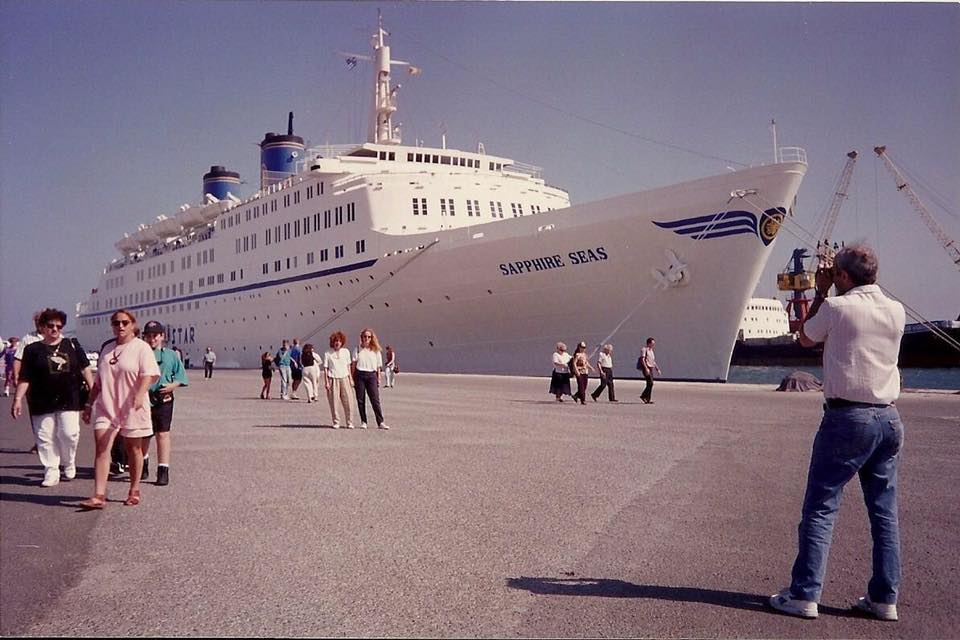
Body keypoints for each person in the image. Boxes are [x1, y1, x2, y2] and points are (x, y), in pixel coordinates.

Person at [769, 245, 906, 622]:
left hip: (848, 417)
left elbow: (804, 338)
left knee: (821, 507)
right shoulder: (896, 309)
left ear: (843, 276)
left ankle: (804, 595)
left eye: (835, 274)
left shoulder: (836, 306)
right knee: (884, 512)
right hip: (889, 417)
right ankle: (884, 599)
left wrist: (820, 292)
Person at [79, 309, 160, 509]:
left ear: (133, 325)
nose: (120, 326)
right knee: (101, 448)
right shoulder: (107, 349)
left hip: (132, 406)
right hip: (107, 406)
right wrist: (89, 404)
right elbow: (98, 382)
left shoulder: (142, 348)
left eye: (125, 322)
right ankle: (98, 495)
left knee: (133, 449)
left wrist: (140, 395)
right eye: (116, 323)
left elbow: (149, 374)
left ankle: (134, 489)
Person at [10, 309, 94, 487]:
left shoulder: (71, 345)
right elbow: (25, 377)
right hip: (41, 398)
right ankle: (51, 470)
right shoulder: (32, 349)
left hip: (69, 397)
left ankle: (69, 461)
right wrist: (17, 399)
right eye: (50, 326)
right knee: (45, 436)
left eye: (59, 326)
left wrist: (93, 390)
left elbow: (85, 368)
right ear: (42, 327)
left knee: (69, 433)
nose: (55, 329)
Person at [139, 321, 188, 487]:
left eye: (155, 335)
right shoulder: (140, 354)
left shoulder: (171, 355)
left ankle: (163, 470)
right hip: (144, 398)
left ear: (162, 336)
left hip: (164, 398)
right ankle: (143, 463)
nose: (152, 339)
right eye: (148, 336)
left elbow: (181, 376)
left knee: (163, 434)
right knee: (144, 434)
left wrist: (173, 385)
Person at [352, 328, 389, 430]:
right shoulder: (357, 349)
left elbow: (378, 366)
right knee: (361, 400)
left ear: (372, 338)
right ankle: (364, 421)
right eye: (365, 336)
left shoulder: (376, 350)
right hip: (359, 375)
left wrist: (379, 377)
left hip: (371, 375)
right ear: (361, 337)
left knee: (375, 400)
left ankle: (380, 422)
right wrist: (352, 377)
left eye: (369, 337)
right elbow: (353, 365)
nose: (366, 338)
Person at [323, 331, 355, 429]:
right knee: (334, 402)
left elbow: (348, 366)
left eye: (339, 341)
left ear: (342, 342)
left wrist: (351, 379)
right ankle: (336, 421)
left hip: (344, 377)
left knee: (349, 401)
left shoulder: (346, 352)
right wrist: (326, 382)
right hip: (333, 378)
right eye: (336, 341)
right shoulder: (328, 353)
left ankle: (349, 422)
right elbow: (325, 368)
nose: (337, 343)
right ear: (332, 342)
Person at [638, 337, 661, 404]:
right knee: (650, 383)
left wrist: (657, 369)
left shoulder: (651, 351)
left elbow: (653, 361)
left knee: (650, 384)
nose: (653, 345)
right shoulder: (644, 349)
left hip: (651, 368)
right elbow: (642, 359)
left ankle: (647, 398)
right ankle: (643, 396)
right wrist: (646, 368)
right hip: (646, 368)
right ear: (649, 343)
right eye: (652, 343)